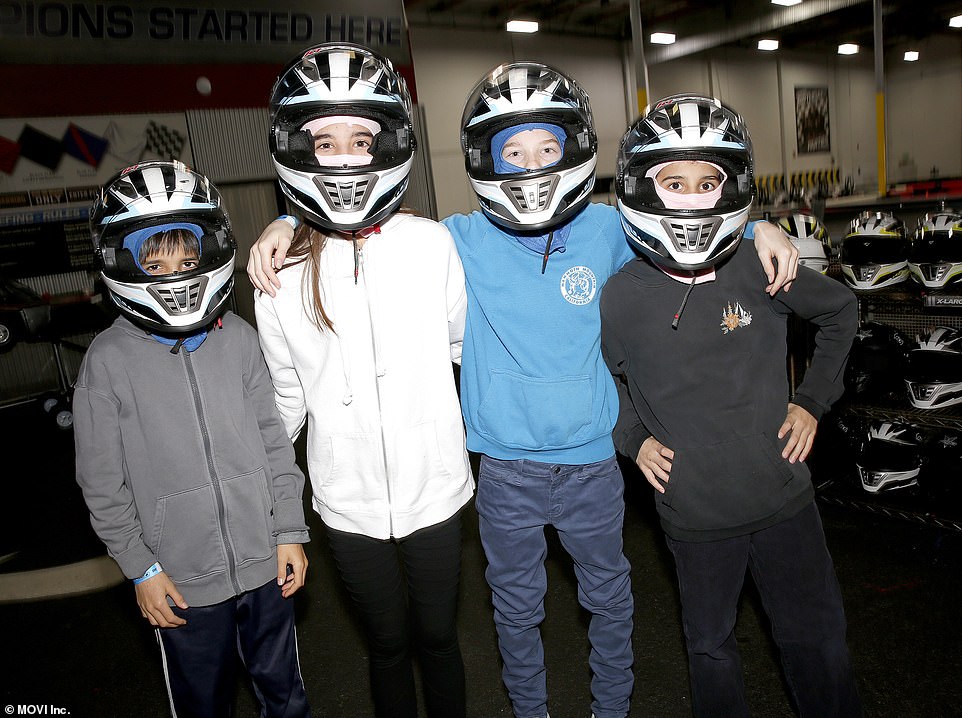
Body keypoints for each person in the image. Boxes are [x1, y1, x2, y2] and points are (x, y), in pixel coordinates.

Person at [248, 62, 799, 718]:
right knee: (514, 612)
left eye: (547, 149)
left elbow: (686, 231)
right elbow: (367, 230)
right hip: (505, 468)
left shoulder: (606, 230)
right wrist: (286, 223)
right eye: (514, 152)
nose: (533, 165)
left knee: (611, 603)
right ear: (488, 158)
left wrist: (759, 225)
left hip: (592, 461)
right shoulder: (457, 239)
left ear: (572, 148)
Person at [601, 94, 861, 718]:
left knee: (816, 641)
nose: (691, 198)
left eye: (707, 181)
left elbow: (841, 310)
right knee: (711, 649)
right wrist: (632, 438)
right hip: (693, 512)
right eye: (673, 182)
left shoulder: (758, 263)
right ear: (643, 186)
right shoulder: (621, 295)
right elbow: (603, 377)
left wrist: (811, 400)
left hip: (783, 498)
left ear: (731, 187)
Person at [255, 43, 475, 718]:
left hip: (436, 494)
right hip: (345, 506)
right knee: (386, 645)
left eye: (361, 138)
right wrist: (258, 505)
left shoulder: (431, 244)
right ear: (299, 148)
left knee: (438, 640)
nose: (346, 156)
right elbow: (283, 402)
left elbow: (465, 352)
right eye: (325, 141)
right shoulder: (278, 275)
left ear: (392, 143)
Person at [74, 160, 311, 718]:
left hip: (264, 564)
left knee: (287, 698)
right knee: (203, 706)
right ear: (122, 264)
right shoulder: (107, 362)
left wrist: (289, 531)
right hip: (179, 582)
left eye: (187, 259)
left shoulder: (239, 339)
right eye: (155, 264)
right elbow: (102, 485)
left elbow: (275, 445)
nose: (176, 275)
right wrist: (141, 568)